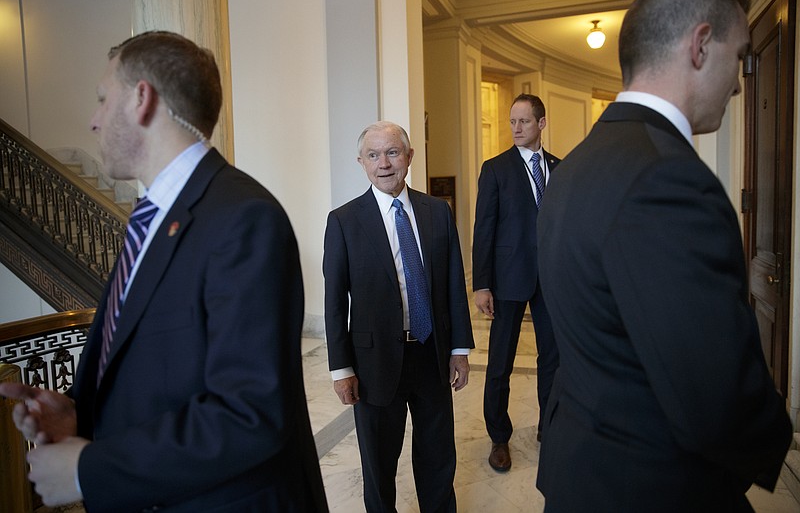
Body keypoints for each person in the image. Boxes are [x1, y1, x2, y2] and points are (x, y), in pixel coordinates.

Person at [0, 31, 328, 512]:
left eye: (101, 99)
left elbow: (250, 414)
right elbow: (161, 373)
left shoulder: (242, 218)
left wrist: (89, 470)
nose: (92, 121)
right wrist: (78, 416)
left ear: (140, 99)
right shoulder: (148, 219)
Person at [535, 0, 792, 511]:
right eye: (740, 57)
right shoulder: (666, 178)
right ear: (699, 45)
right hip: (650, 484)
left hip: (584, 468)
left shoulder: (574, 166)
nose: (741, 82)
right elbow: (714, 396)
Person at [323, 121, 474, 512]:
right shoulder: (343, 221)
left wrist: (459, 348)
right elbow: (335, 302)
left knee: (438, 458)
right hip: (373, 364)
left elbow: (453, 283)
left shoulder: (438, 212)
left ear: (409, 157)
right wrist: (342, 370)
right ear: (361, 162)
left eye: (392, 152)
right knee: (378, 466)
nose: (384, 163)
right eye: (373, 155)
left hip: (431, 354)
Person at [472, 93, 560, 471]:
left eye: (524, 121)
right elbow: (484, 230)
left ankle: (550, 429)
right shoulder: (495, 169)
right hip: (508, 280)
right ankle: (498, 437)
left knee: (553, 360)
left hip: (553, 281)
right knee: (500, 363)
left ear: (542, 123)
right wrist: (481, 284)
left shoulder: (561, 166)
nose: (516, 128)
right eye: (512, 121)